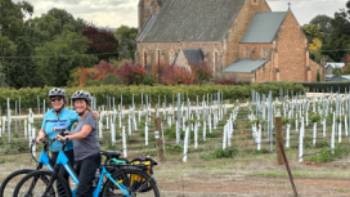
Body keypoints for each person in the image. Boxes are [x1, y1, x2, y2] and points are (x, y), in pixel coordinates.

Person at [58, 90, 100, 197]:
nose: (79, 105)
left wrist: (68, 137)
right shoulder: (81, 118)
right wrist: (68, 133)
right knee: (85, 188)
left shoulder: (90, 116)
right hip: (81, 158)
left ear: (87, 104)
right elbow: (78, 133)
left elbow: (84, 134)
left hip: (90, 157)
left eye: (81, 102)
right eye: (76, 102)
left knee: (81, 192)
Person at [36, 87, 79, 165]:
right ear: (51, 102)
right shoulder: (48, 115)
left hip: (67, 151)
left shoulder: (70, 113)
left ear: (63, 100)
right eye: (53, 100)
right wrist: (40, 136)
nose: (56, 101)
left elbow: (85, 118)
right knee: (54, 175)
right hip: (53, 151)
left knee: (61, 176)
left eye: (59, 99)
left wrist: (93, 114)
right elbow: (43, 130)